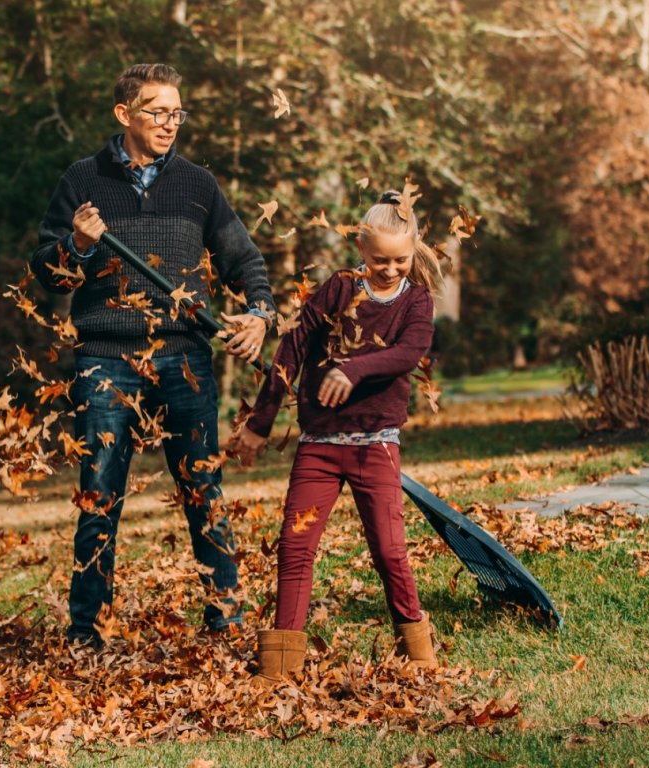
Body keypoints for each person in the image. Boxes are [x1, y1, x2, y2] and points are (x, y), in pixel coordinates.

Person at [31, 63, 276, 649]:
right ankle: (87, 632)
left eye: (177, 113)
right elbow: (48, 274)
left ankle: (225, 620)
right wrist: (79, 245)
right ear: (124, 114)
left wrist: (260, 315)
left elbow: (245, 261)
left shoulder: (197, 183)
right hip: (105, 358)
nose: (170, 124)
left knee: (202, 490)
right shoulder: (82, 179)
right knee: (99, 495)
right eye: (158, 111)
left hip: (183, 357)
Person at [228, 191, 444, 685]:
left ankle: (419, 656)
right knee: (296, 545)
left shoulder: (417, 300)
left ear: (413, 253)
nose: (389, 270)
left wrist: (352, 368)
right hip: (320, 448)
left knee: (389, 550)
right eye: (378, 260)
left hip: (376, 447)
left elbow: (408, 353)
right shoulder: (339, 289)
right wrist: (260, 423)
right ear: (361, 251)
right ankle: (281, 666)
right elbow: (292, 349)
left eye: (401, 260)